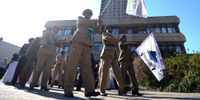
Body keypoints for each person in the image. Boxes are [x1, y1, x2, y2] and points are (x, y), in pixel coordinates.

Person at [64, 9, 100, 97]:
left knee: (87, 68)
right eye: (88, 13)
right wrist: (96, 20)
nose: (89, 14)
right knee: (72, 66)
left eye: (90, 14)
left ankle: (89, 90)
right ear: (84, 14)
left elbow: (95, 31)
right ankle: (68, 90)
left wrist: (100, 23)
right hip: (77, 43)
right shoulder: (81, 19)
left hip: (87, 46)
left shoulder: (91, 24)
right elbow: (82, 22)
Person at [99, 26, 132, 96]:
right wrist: (117, 39)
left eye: (111, 28)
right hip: (107, 53)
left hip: (114, 54)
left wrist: (115, 40)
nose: (111, 29)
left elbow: (115, 42)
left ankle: (123, 87)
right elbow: (107, 39)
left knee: (118, 72)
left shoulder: (112, 36)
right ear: (106, 29)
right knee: (104, 72)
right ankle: (102, 90)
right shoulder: (105, 33)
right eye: (109, 28)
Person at [29, 25, 65, 91]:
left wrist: (61, 42)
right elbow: (43, 40)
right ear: (53, 28)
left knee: (48, 70)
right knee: (38, 68)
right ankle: (33, 84)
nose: (57, 30)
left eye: (58, 29)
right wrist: (47, 44)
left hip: (52, 54)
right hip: (44, 52)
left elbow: (60, 46)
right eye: (56, 28)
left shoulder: (59, 36)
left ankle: (44, 85)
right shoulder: (47, 33)